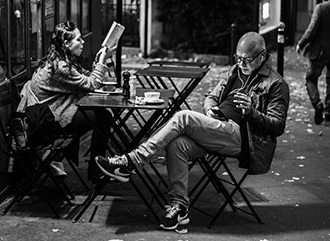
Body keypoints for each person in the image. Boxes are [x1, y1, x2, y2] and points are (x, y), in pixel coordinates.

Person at [95, 32, 290, 230]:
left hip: (243, 138)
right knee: (177, 144)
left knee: (183, 117)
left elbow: (277, 126)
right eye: (238, 58)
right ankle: (179, 207)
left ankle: (131, 161)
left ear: (262, 56)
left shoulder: (276, 84)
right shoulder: (235, 71)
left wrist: (251, 112)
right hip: (217, 127)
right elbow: (211, 97)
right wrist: (210, 110)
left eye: (246, 60)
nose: (241, 63)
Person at [18, 20, 114, 183]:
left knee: (103, 115)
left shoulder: (63, 59)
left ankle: (93, 167)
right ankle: (95, 171)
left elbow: (84, 77)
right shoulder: (61, 66)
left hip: (52, 113)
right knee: (102, 117)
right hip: (48, 120)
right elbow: (91, 84)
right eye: (78, 39)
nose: (83, 42)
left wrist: (97, 63)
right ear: (66, 43)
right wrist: (102, 61)